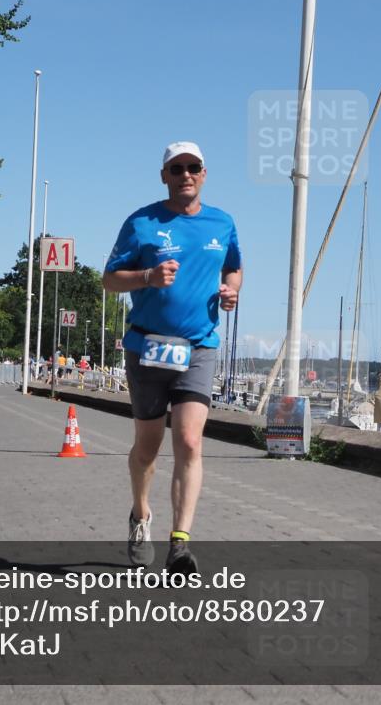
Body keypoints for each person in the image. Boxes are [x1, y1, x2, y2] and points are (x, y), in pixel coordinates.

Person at [103, 141, 242, 575]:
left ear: (204, 174)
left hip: (199, 346)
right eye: (176, 168)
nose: (185, 174)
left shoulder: (223, 223)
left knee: (189, 440)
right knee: (148, 447)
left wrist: (232, 290)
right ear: (164, 175)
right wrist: (146, 276)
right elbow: (110, 280)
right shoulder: (141, 222)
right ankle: (140, 514)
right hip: (147, 346)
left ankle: (180, 543)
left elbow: (233, 266)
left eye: (193, 167)